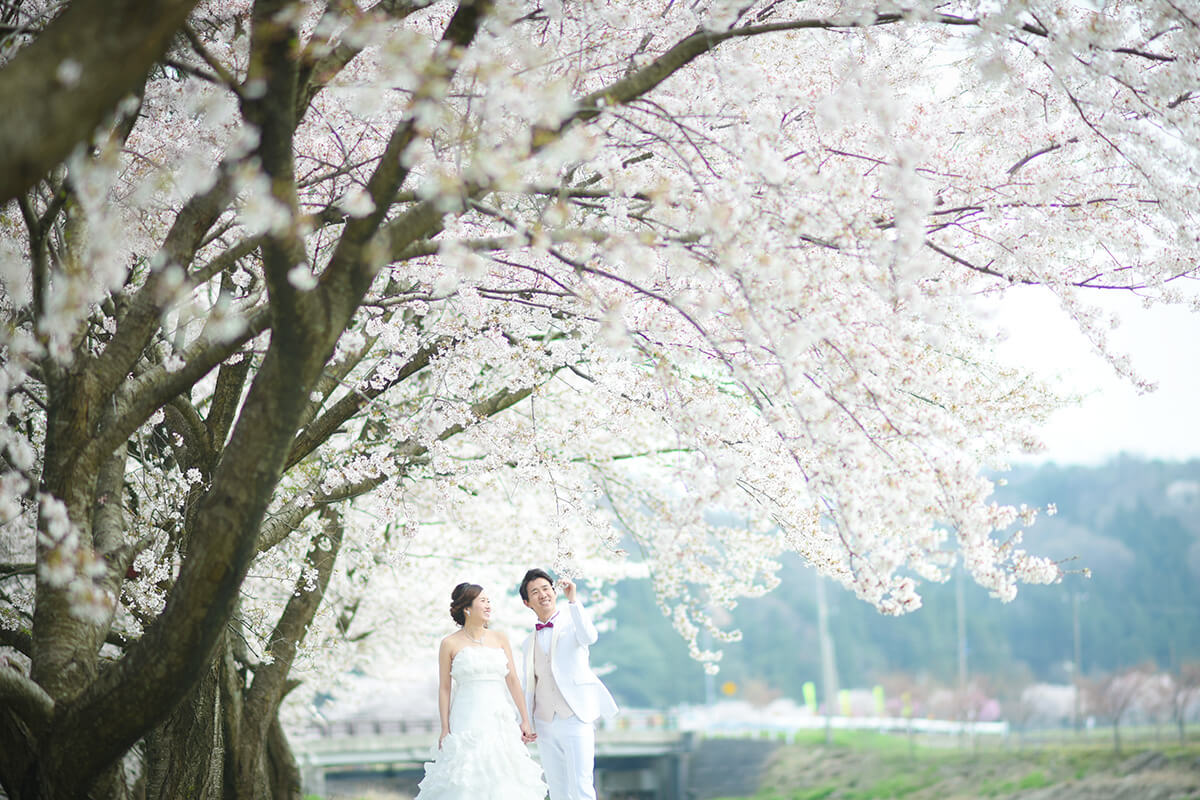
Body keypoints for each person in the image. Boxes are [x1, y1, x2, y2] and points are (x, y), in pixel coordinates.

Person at [415, 582, 547, 800]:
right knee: (467, 773)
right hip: (467, 717)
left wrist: (525, 719)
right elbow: (445, 688)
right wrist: (445, 727)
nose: (488, 606)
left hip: (499, 716)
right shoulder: (449, 643)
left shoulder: (500, 638)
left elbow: (513, 680)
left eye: (489, 601)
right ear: (467, 608)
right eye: (483, 601)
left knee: (504, 774)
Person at [519, 569, 619, 800]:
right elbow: (529, 685)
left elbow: (589, 637)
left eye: (546, 588)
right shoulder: (527, 642)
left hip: (575, 714)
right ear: (527, 602)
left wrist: (573, 601)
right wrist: (525, 721)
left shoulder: (573, 624)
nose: (543, 594)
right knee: (557, 788)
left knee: (581, 784)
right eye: (535, 592)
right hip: (544, 722)